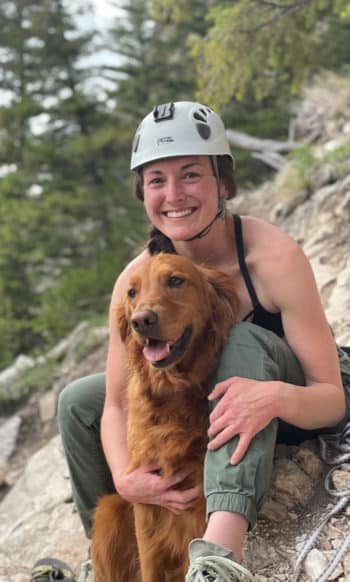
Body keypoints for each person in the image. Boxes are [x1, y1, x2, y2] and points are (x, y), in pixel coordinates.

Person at [31, 101, 350, 582]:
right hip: (209, 395)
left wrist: (274, 396)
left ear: (224, 182)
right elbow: (116, 405)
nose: (173, 194)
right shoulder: (136, 282)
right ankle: (105, 559)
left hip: (296, 394)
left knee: (241, 338)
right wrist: (126, 478)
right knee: (79, 401)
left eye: (190, 175)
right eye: (156, 180)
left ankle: (218, 558)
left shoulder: (272, 257)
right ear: (143, 193)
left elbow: (331, 397)